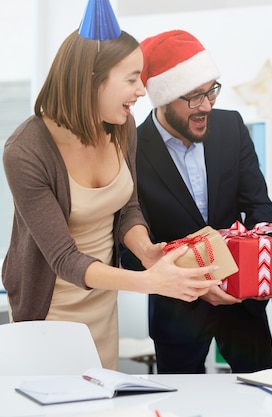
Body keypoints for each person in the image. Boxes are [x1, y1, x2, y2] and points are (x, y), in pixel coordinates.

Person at [1, 1, 220, 370]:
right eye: (132, 78)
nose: (141, 90)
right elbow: (64, 259)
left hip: (103, 299)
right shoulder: (25, 151)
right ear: (92, 78)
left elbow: (127, 209)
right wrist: (151, 281)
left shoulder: (122, 127)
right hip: (49, 308)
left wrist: (147, 251)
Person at [120, 30, 272, 374]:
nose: (206, 105)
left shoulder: (231, 126)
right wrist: (195, 282)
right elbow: (127, 245)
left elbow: (260, 206)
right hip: (176, 311)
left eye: (210, 91)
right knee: (178, 405)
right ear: (162, 97)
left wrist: (257, 269)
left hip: (242, 304)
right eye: (193, 97)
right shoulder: (130, 147)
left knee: (264, 397)